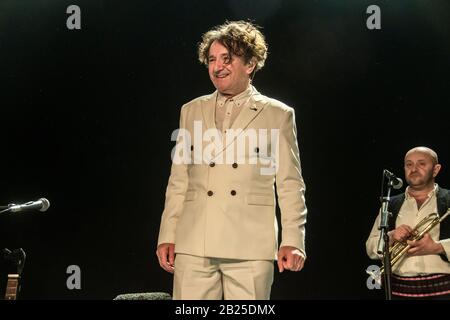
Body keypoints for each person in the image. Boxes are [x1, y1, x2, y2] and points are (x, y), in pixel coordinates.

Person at [155, 20, 307, 300]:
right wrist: (168, 234)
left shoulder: (278, 114)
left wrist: (293, 240)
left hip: (250, 242)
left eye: (227, 59)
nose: (217, 67)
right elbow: (178, 179)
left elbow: (289, 183)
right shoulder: (190, 110)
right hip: (194, 239)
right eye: (212, 59)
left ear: (250, 64)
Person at [366, 146, 450, 299]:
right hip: (399, 291)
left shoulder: (449, 200)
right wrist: (390, 236)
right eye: (409, 164)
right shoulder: (389, 204)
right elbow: (370, 248)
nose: (414, 169)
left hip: (444, 290)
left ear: (436, 169)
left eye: (422, 164)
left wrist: (437, 247)